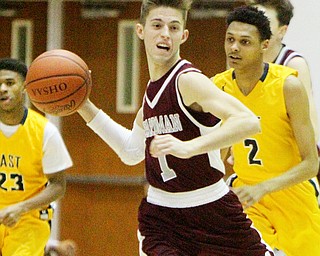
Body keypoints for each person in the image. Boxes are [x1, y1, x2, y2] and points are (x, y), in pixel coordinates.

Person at [76, 0, 274, 255]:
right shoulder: (151, 94)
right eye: (157, 25)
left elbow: (248, 121)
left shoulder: (188, 80)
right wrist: (83, 105)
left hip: (213, 213)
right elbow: (131, 152)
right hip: (162, 219)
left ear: (183, 35)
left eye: (173, 27)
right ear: (140, 31)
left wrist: (189, 147)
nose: (165, 34)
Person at [212, 6, 320, 255]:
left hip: (292, 196)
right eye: (230, 40)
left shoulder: (288, 86)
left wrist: (264, 187)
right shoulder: (218, 87)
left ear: (265, 45)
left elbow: (311, 164)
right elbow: (216, 151)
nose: (234, 48)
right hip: (247, 197)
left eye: (244, 42)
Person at [245, 0, 320, 202]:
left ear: (281, 31)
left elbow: (312, 129)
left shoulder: (293, 65)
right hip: (256, 171)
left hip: (290, 175)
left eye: (265, 22)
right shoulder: (242, 63)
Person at [0, 58, 73, 255]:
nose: (2, 89)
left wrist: (20, 208)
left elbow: (58, 185)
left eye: (9, 83)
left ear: (24, 87)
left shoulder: (45, 131)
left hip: (28, 218)